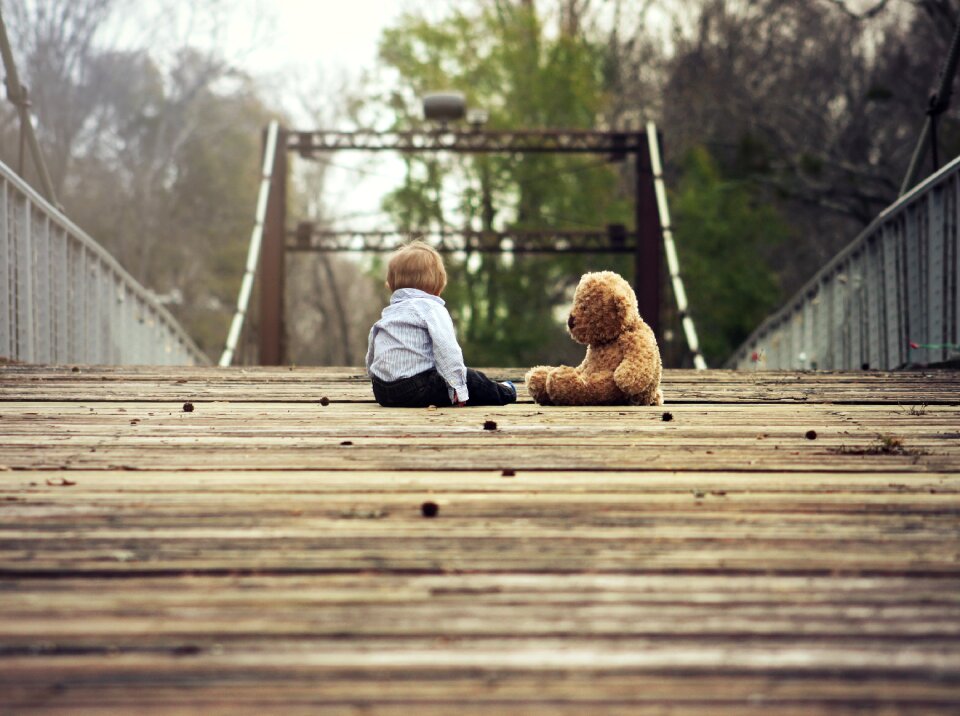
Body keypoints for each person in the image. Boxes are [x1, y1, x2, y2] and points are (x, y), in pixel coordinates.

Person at [365, 241, 517, 408]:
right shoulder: (430, 308)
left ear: (392, 284)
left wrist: (375, 377)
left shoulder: (390, 312)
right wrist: (458, 387)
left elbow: (372, 344)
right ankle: (505, 392)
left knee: (447, 378)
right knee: (470, 379)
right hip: (416, 388)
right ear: (437, 285)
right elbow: (446, 349)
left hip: (382, 392)